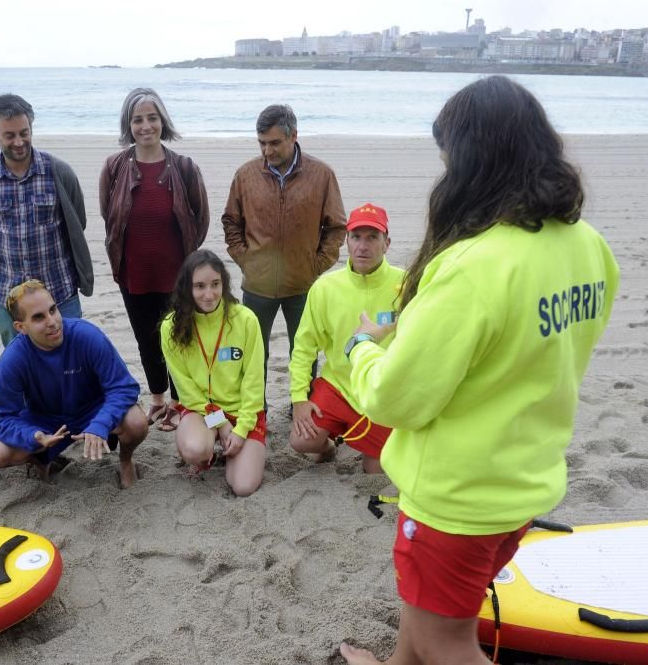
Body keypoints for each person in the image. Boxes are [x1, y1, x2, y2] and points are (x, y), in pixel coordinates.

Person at [338, 76, 620, 665]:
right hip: (524, 481)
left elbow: (395, 400)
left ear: (470, 160)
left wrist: (364, 347)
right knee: (427, 624)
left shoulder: (474, 267)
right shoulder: (588, 245)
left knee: (447, 643)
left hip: (457, 501)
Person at [99, 87, 209, 432]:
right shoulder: (115, 166)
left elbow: (200, 219)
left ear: (163, 121)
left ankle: (180, 402)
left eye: (152, 118)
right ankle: (158, 399)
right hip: (134, 272)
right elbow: (109, 216)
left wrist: (185, 262)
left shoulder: (185, 167)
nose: (146, 126)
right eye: (138, 120)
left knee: (179, 337)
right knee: (146, 339)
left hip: (176, 274)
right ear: (128, 125)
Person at [221, 104, 346, 395]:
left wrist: (316, 265)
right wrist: (246, 259)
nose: (267, 151)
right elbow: (231, 221)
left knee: (304, 351)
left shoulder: (322, 175)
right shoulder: (245, 175)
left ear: (294, 136)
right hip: (256, 285)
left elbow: (337, 227)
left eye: (275, 143)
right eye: (262, 143)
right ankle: (256, 407)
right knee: (253, 353)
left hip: (303, 285)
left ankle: (300, 404)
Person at [0, 280, 148, 488]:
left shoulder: (86, 335)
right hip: (45, 420)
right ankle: (41, 460)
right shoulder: (13, 358)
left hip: (92, 411)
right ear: (20, 327)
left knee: (137, 422)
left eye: (53, 310)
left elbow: (124, 388)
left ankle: (126, 461)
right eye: (38, 317)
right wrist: (33, 436)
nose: (52, 321)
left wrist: (101, 422)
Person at [0, 94, 94, 346]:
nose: (19, 141)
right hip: (9, 299)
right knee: (23, 371)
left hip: (60, 294)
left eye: (24, 133)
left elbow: (77, 222)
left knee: (70, 365)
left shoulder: (59, 171)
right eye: (9, 135)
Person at [289, 203, 403, 474]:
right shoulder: (325, 287)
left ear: (386, 243)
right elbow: (304, 348)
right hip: (338, 385)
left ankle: (366, 442)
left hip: (382, 393)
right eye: (357, 237)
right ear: (346, 242)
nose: (363, 246)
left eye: (372, 237)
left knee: (374, 470)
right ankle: (330, 445)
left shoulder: (407, 284)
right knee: (302, 440)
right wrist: (298, 399)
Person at [160, 250, 266, 497]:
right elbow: (186, 389)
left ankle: (235, 454)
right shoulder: (170, 328)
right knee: (195, 449)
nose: (209, 294)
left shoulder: (245, 320)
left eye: (215, 284)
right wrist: (220, 422)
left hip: (243, 412)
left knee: (243, 486)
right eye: (199, 286)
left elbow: (254, 381)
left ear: (224, 284)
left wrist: (240, 430)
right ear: (187, 288)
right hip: (204, 412)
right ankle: (207, 453)